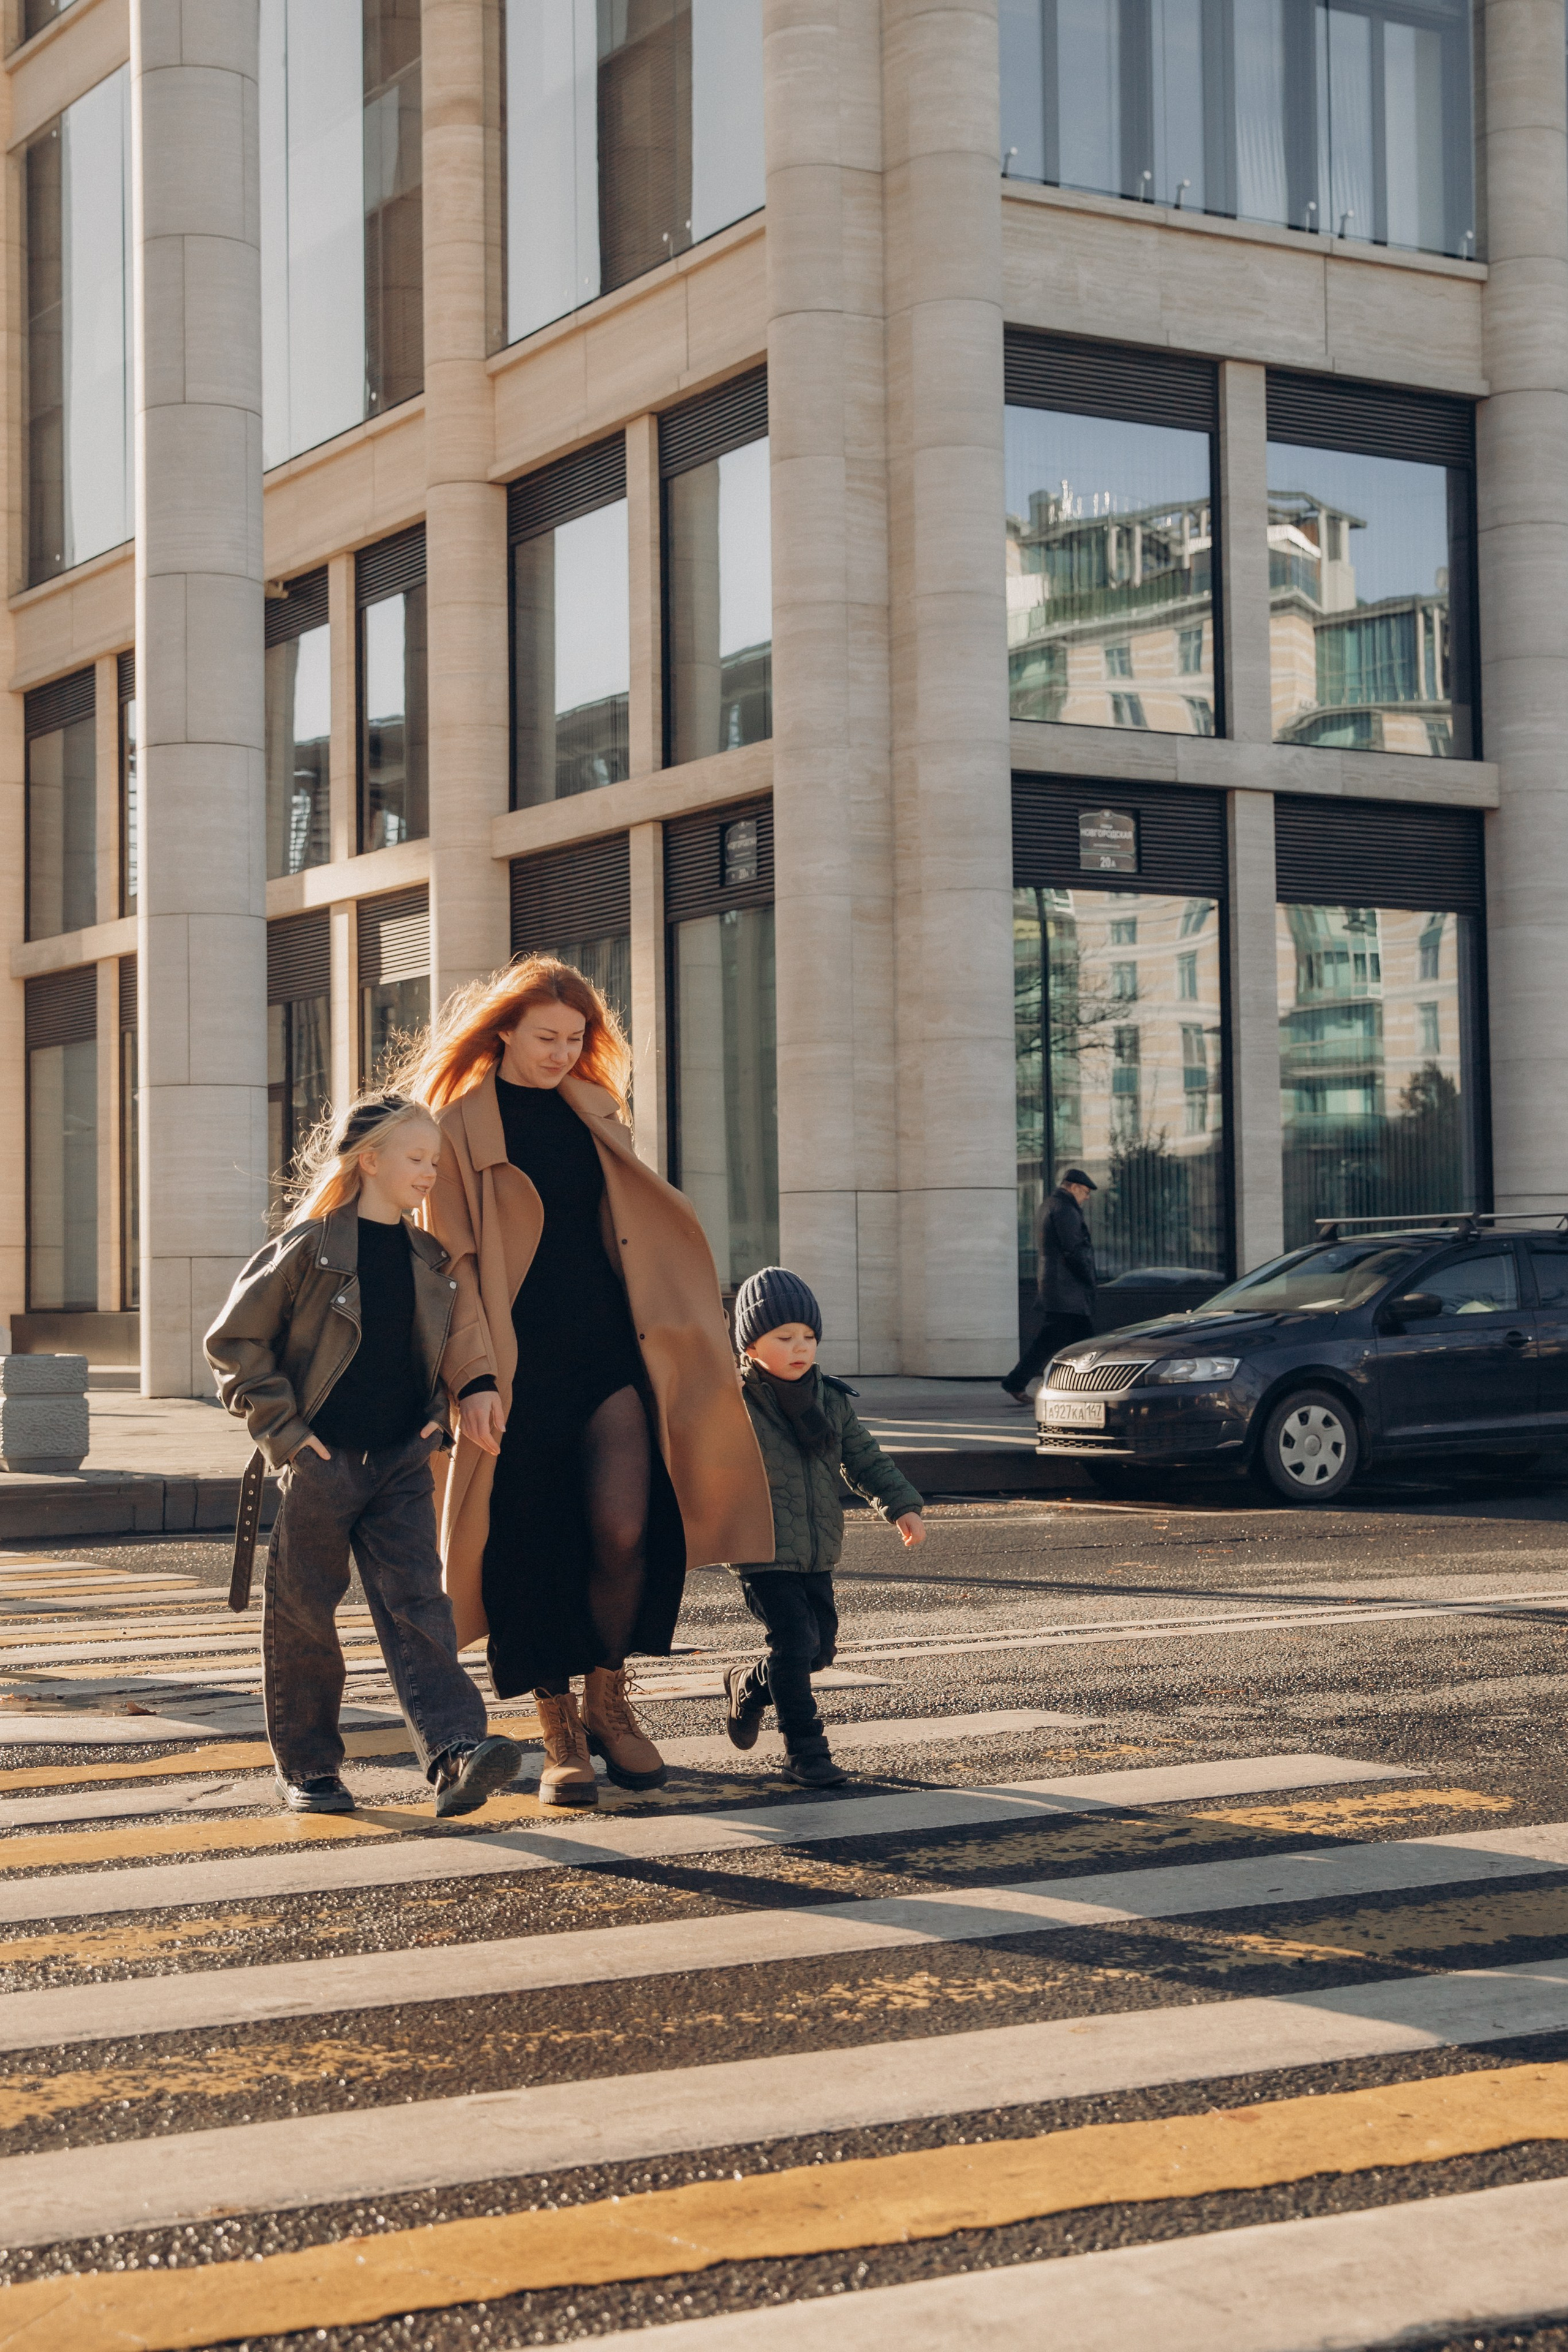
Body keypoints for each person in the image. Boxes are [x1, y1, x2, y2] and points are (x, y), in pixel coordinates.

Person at [407, 956, 774, 1811]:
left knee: (624, 1526)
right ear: (502, 1031)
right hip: (516, 1364)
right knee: (530, 1546)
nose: (562, 1054)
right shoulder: (456, 1127)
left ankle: (610, 1698)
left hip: (611, 1347)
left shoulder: (596, 1110)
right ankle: (560, 1729)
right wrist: (474, 1379)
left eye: (576, 1039)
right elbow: (453, 1265)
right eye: (546, 1039)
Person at [205, 1094, 522, 1819]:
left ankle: (455, 1754)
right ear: (370, 1161)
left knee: (421, 1608)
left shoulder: (428, 1257)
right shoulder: (310, 1247)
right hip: (324, 1461)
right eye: (417, 1159)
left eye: (435, 1161)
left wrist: (435, 1421)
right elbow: (233, 1344)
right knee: (306, 1615)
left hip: (401, 1461)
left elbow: (432, 1352)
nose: (431, 1172)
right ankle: (311, 1769)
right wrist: (288, 1437)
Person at [722, 1267, 926, 1788]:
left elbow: (863, 1459)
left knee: (818, 1649)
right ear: (749, 1345)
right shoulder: (733, 1401)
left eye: (809, 1337)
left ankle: (749, 1685)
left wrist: (901, 1505)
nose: (800, 1348)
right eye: (783, 1337)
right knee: (793, 1643)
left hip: (816, 1549)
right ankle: (805, 1753)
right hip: (761, 1548)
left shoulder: (829, 1399)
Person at [1001, 1164, 1099, 1403]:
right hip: (1067, 1288)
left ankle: (1019, 1382)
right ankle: (1089, 1387)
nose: (1086, 1198)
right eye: (1085, 1192)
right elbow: (1073, 1250)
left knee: (1062, 1341)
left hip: (1058, 1287)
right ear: (1074, 1187)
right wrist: (1089, 1279)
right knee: (1083, 1344)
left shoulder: (1051, 1205)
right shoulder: (1065, 1209)